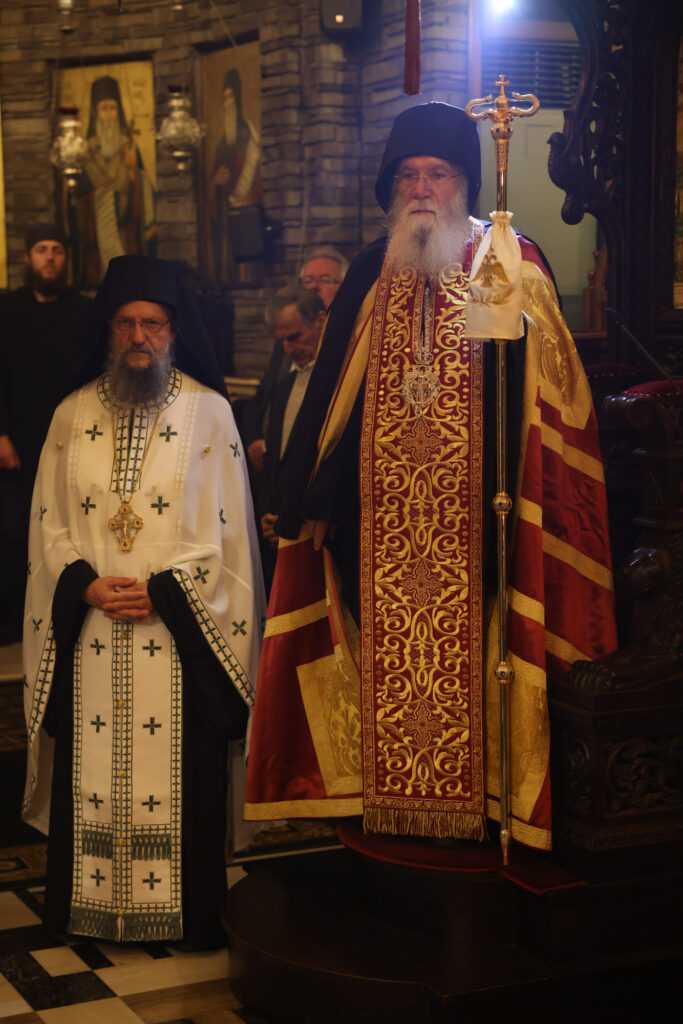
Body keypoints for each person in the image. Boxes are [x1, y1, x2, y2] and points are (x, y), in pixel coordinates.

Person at [244, 102, 618, 852]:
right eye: (408, 176)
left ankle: (487, 800)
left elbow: (545, 398)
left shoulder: (507, 260)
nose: (421, 189)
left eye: (438, 174)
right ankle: (379, 801)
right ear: (391, 187)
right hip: (377, 525)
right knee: (379, 663)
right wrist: (314, 498)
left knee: (482, 656)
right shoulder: (368, 271)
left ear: (464, 183)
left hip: (480, 514)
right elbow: (333, 403)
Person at [22, 255, 265, 946]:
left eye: (152, 323)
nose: (139, 337)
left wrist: (165, 591)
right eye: (126, 322)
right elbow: (48, 523)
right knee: (90, 768)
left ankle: (187, 914)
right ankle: (89, 906)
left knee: (184, 771)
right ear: (108, 328)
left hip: (180, 635)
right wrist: (84, 582)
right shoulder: (71, 413)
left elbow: (230, 537)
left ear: (174, 331)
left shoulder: (210, 413)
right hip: (92, 630)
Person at [0, 224, 91, 643]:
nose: (50, 257)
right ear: (27, 258)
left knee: (70, 529)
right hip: (16, 444)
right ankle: (13, 623)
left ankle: (65, 615)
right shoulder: (6, 308)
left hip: (73, 442)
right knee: (14, 532)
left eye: (57, 249)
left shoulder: (84, 311)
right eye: (42, 249)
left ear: (66, 258)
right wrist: (1, 434)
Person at [242, 247, 348, 476]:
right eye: (307, 280)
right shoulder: (285, 345)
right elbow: (261, 400)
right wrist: (255, 440)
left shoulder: (351, 347)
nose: (313, 287)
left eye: (325, 280)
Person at [257, 286, 326, 590]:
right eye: (281, 340)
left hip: (317, 530)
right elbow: (274, 459)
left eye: (295, 336)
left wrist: (294, 517)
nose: (287, 348)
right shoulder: (284, 385)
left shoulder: (338, 383)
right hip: (280, 529)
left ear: (320, 320)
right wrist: (269, 513)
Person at [69, 76, 157, 288]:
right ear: (95, 112)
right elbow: (74, 198)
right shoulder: (84, 152)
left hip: (126, 229)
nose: (109, 115)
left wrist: (133, 172)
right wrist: (95, 191)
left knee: (127, 275)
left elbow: (144, 189)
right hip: (97, 227)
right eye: (103, 109)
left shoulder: (129, 147)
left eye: (113, 108)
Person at [208, 69, 262, 283]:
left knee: (245, 273)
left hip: (244, 213)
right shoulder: (224, 141)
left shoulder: (248, 135)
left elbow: (254, 174)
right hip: (226, 215)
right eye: (223, 99)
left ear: (237, 99)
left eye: (230, 97)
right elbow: (214, 176)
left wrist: (244, 197)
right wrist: (215, 181)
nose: (226, 104)